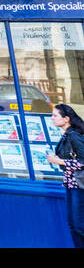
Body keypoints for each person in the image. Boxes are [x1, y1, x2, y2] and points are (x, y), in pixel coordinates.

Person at [47, 103, 84, 247]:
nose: (52, 118)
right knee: (73, 224)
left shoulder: (74, 136)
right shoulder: (67, 135)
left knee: (78, 225)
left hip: (79, 185)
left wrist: (60, 161)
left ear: (66, 118)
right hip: (71, 183)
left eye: (55, 115)